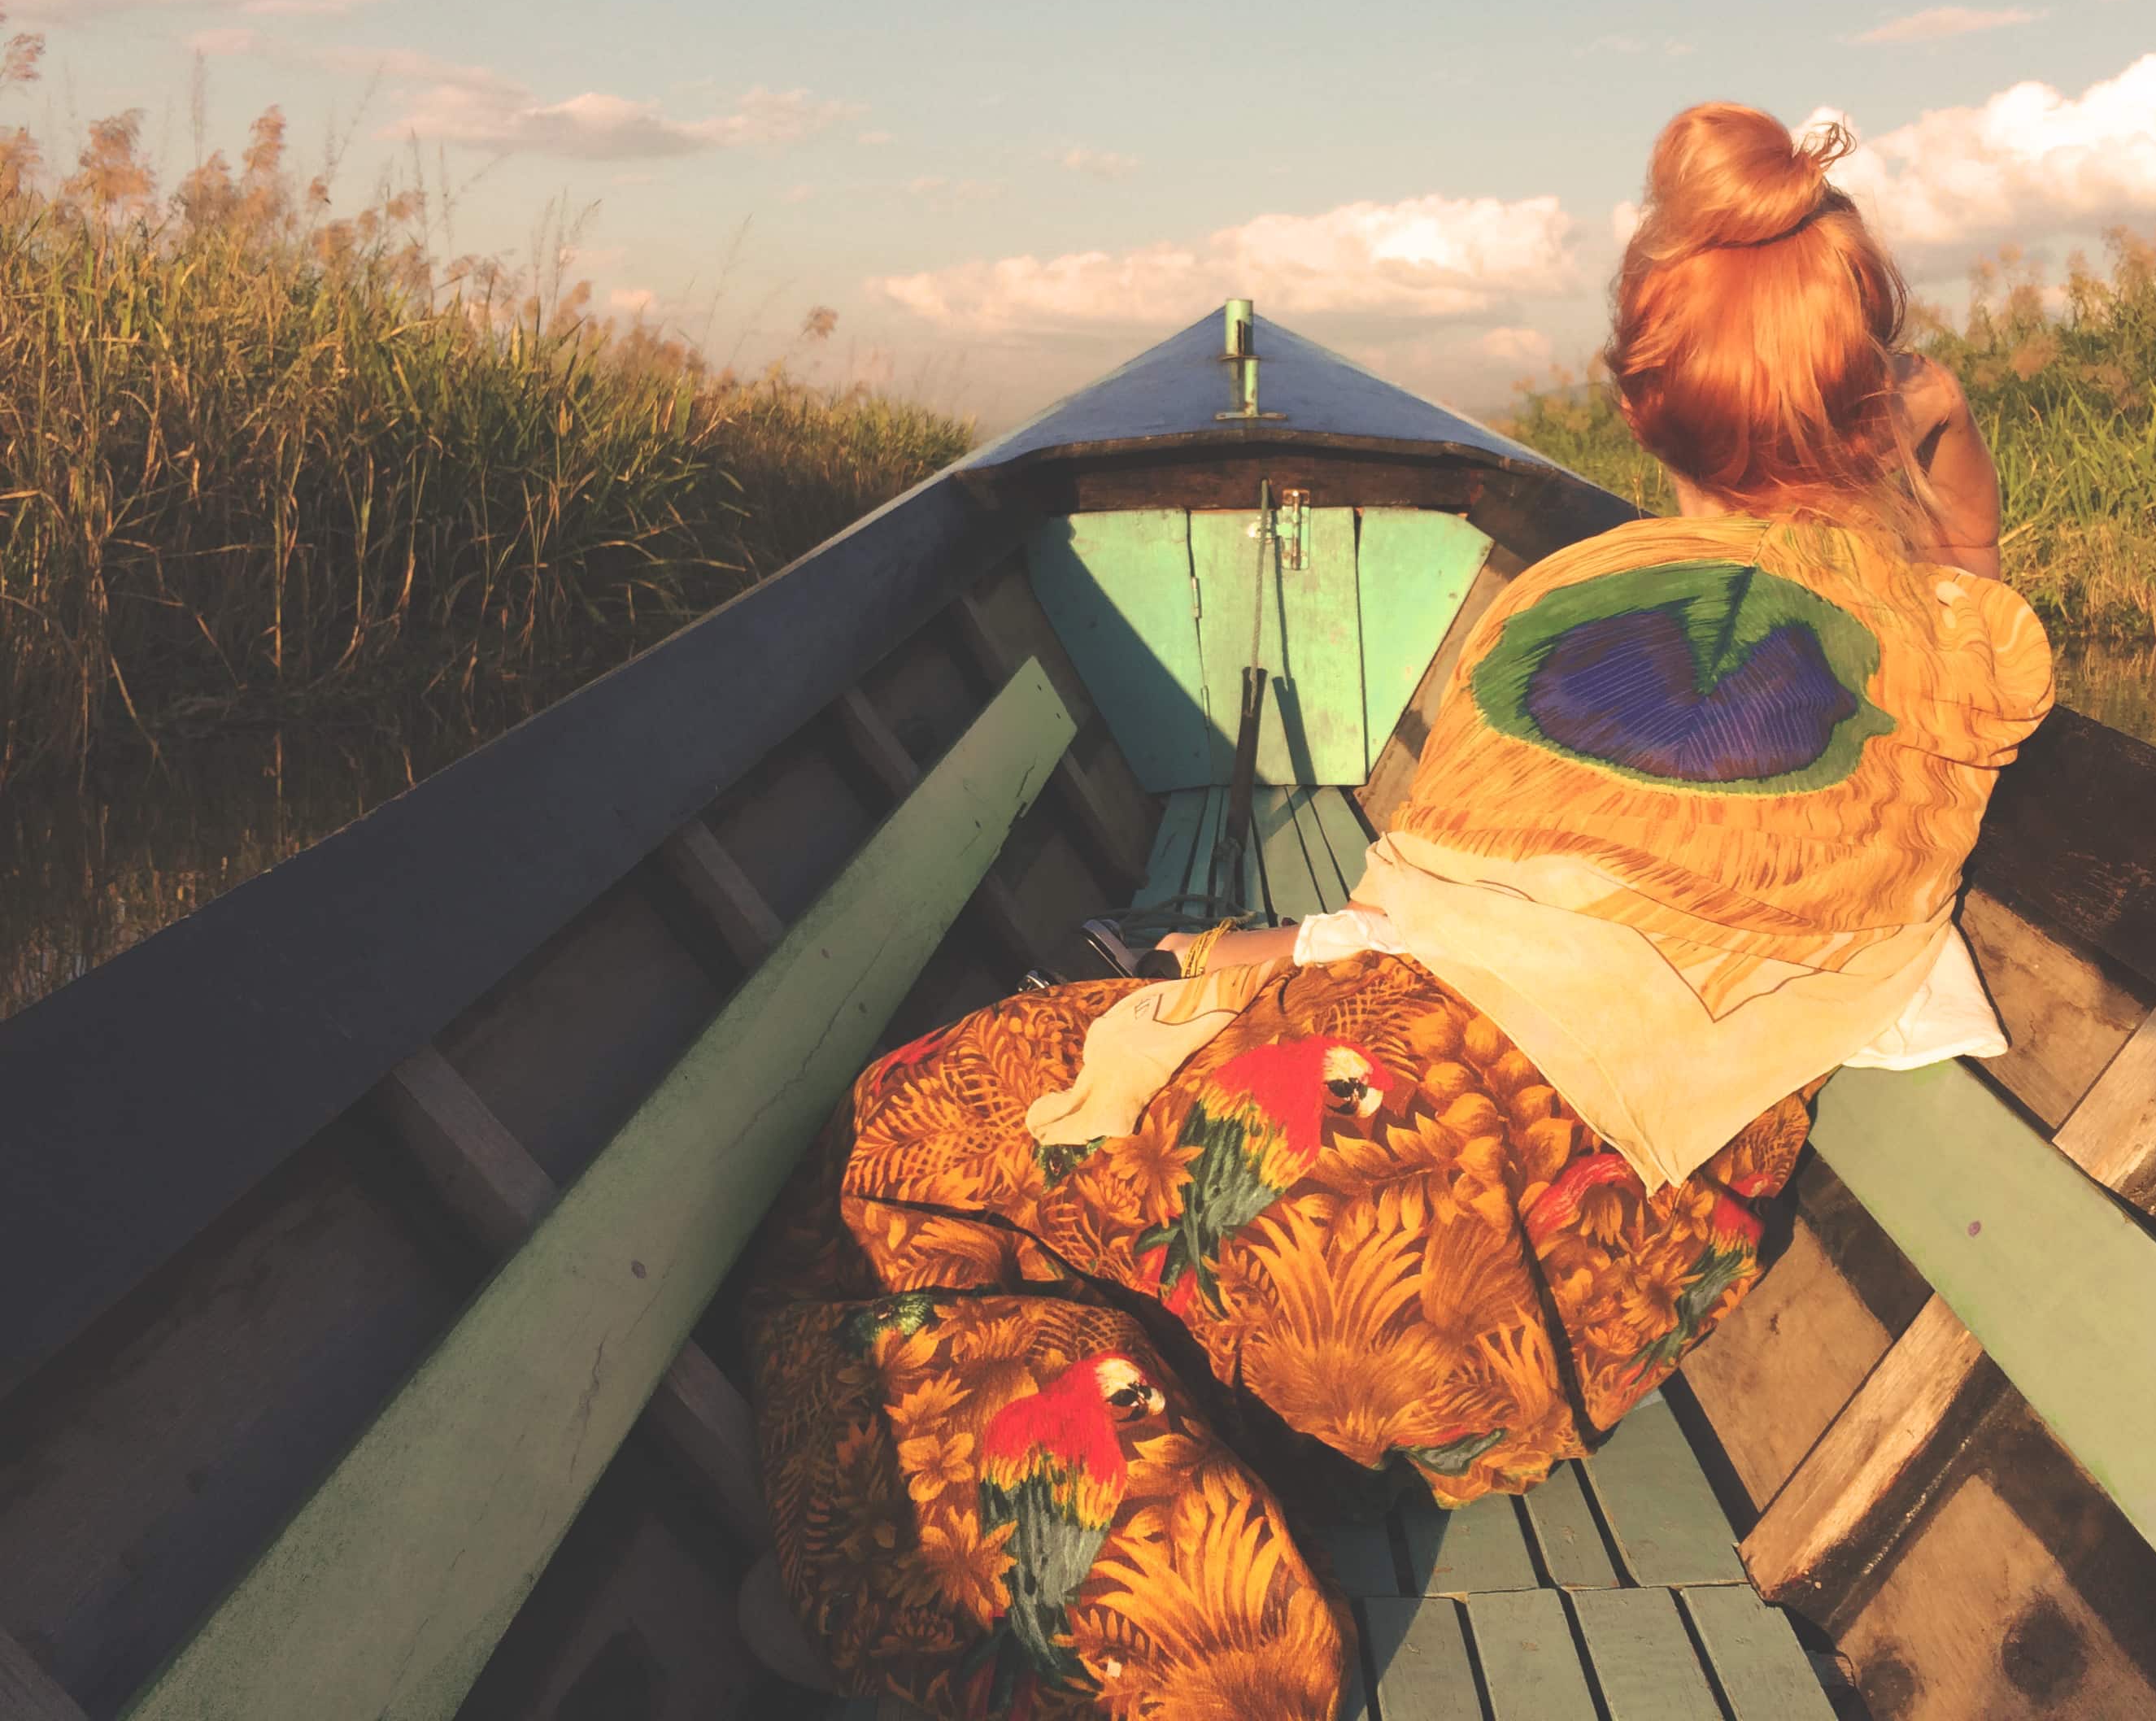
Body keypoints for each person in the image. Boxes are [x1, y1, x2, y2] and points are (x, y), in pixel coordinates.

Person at [743, 102, 2053, 1719]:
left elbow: (1466, 925)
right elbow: (1968, 551)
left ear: (1646, 401)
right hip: (1567, 1333)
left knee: (876, 1162)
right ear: (1874, 399)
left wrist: (1258, 966)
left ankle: (1210, 1625)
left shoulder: (1571, 598)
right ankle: (1200, 1446)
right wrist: (1939, 422)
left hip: (1339, 1185)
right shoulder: (1959, 651)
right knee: (1144, 1191)